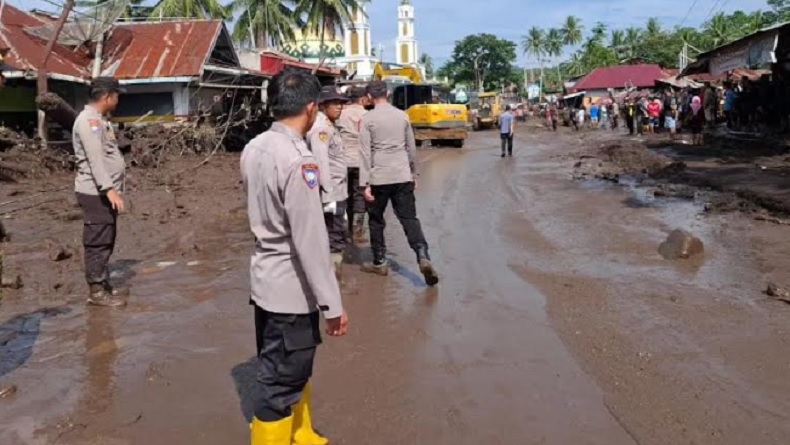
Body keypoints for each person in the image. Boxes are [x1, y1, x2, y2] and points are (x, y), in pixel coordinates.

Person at [240, 70, 349, 445]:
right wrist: (332, 303)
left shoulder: (254, 147)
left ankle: (301, 433)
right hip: (290, 288)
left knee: (289, 370)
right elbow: (311, 241)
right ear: (311, 108)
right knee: (279, 384)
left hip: (265, 279)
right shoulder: (298, 160)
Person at [359, 80, 439, 286]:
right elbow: (411, 148)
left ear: (369, 97)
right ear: (387, 93)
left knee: (376, 220)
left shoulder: (367, 119)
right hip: (402, 175)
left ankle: (380, 261)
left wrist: (364, 183)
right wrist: (414, 174)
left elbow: (365, 153)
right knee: (409, 219)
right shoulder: (402, 116)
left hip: (379, 177)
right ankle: (423, 255)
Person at [72, 77, 128, 308]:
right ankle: (96, 291)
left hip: (102, 192)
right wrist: (109, 190)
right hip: (95, 192)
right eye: (116, 96)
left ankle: (102, 284)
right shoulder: (88, 122)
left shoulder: (99, 121)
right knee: (97, 240)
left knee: (107, 238)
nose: (117, 100)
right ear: (107, 96)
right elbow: (95, 160)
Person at [307, 86, 350, 278]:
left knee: (336, 233)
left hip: (338, 189)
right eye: (335, 104)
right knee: (334, 235)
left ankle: (332, 275)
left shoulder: (330, 125)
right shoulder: (321, 128)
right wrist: (328, 196)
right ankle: (333, 279)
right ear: (323, 106)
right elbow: (321, 162)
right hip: (330, 191)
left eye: (341, 103)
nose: (339, 107)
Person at [337, 86, 369, 244]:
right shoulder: (367, 115)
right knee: (358, 196)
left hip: (342, 160)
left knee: (343, 195)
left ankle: (341, 229)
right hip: (360, 161)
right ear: (363, 99)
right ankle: (357, 231)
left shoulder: (340, 113)